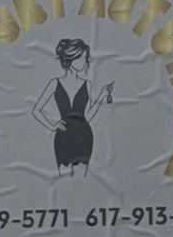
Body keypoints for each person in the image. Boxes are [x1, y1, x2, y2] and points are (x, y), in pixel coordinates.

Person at [32, 38, 113, 174]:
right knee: (63, 178)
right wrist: (53, 125)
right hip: (63, 137)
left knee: (81, 178)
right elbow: (36, 110)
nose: (84, 62)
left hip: (84, 136)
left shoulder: (87, 84)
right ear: (71, 58)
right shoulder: (55, 83)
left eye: (85, 58)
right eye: (81, 58)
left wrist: (102, 96)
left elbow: (88, 115)